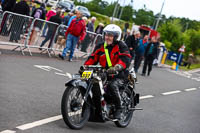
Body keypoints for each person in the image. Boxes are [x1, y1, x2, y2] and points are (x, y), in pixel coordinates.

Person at [84, 24, 131, 119]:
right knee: (91, 82)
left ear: (116, 37)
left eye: (110, 35)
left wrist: (117, 67)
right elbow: (93, 57)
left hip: (119, 74)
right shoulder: (100, 46)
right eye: (106, 35)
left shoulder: (121, 46)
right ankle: (95, 109)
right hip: (104, 72)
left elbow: (125, 59)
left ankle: (119, 108)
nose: (107, 37)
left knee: (112, 86)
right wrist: (85, 66)